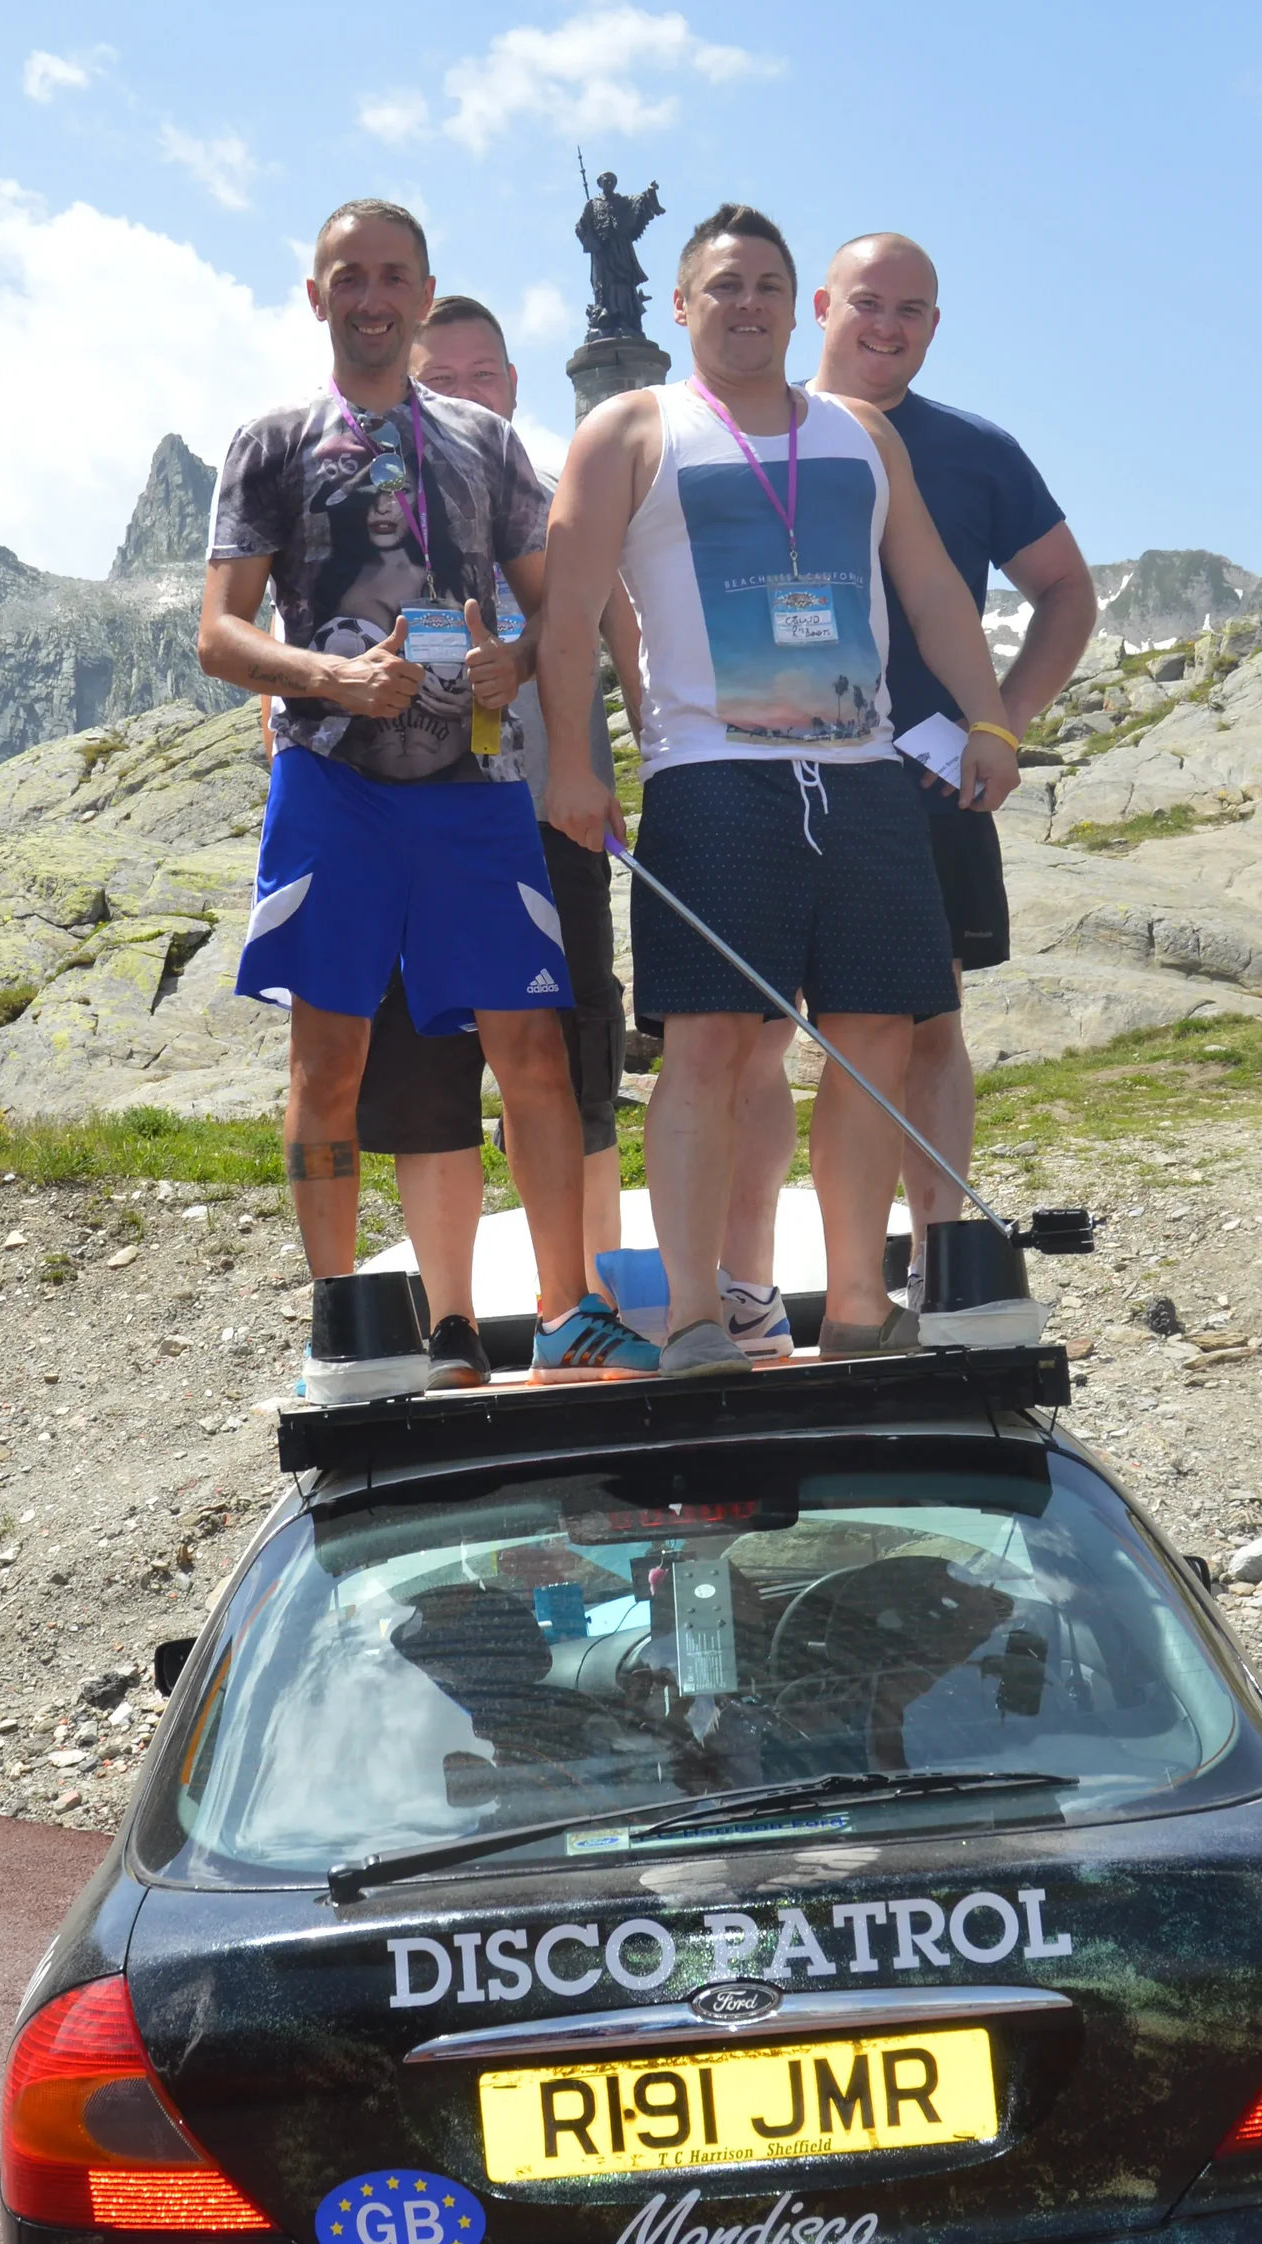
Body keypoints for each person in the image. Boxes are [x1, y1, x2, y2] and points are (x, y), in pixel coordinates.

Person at [538, 203, 1022, 1378]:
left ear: (791, 300)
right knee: (705, 1047)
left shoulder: (860, 432)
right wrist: (570, 761)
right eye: (723, 285)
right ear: (683, 306)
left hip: (864, 778)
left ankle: (857, 1303)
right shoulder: (631, 428)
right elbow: (565, 611)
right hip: (713, 778)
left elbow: (932, 592)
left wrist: (989, 715)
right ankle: (696, 1318)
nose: (744, 303)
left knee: (876, 1042)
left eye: (765, 283)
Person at [199, 199, 634, 1385]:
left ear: (423, 288)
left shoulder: (485, 446)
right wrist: (334, 675)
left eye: (393, 275)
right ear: (317, 294)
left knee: (533, 1052)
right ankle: (343, 1323)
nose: (372, 295)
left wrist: (513, 654)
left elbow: (558, 599)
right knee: (327, 1064)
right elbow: (220, 637)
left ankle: (564, 1311)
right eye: (350, 275)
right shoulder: (271, 443)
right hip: (331, 784)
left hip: (475, 785)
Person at [721, 233, 1100, 1335]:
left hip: (924, 782)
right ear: (821, 305)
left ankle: (944, 1266)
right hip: (762, 773)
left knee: (928, 1021)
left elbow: (1066, 591)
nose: (887, 326)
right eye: (867, 303)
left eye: (914, 311)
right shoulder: (742, 427)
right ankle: (746, 1286)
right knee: (751, 1035)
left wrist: (1001, 721)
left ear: (936, 327)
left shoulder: (977, 450)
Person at [351, 293, 646, 1380]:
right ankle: (453, 1328)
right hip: (409, 817)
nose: (471, 390)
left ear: (515, 384)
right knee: (429, 1075)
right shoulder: (366, 500)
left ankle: (588, 1303)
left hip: (545, 813)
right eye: (447, 375)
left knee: (572, 1063)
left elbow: (618, 629)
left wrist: (617, 759)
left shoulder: (570, 495)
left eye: (488, 372)